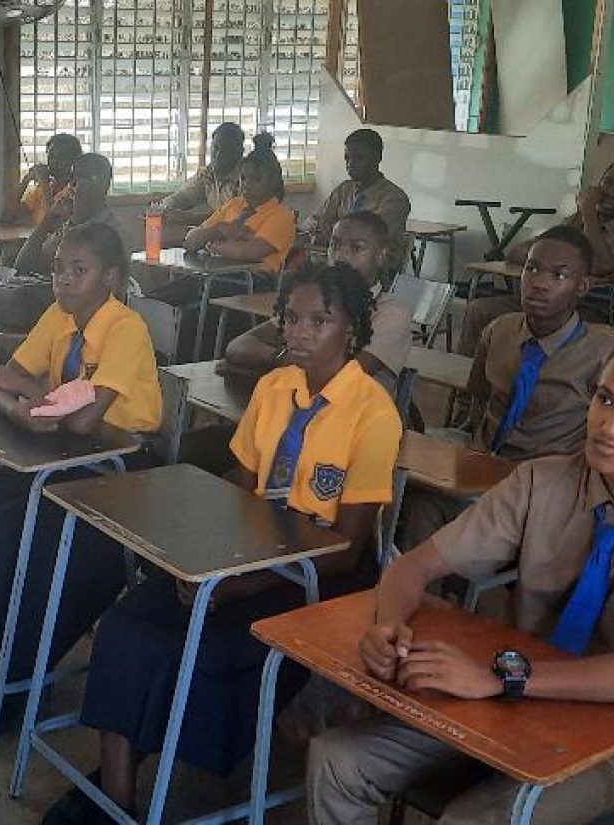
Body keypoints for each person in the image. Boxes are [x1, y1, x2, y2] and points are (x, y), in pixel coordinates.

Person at [43, 263, 402, 824]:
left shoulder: (373, 410)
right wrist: (199, 553)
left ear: (352, 329)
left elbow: (349, 550)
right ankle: (118, 799)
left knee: (196, 655)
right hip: (247, 546)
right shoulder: (274, 387)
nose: (300, 333)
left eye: (320, 320)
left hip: (316, 575)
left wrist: (244, 584)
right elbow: (244, 483)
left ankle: (157, 761)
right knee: (125, 626)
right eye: (291, 319)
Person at [308, 334, 614, 824]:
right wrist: (389, 626)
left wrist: (505, 677)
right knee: (337, 762)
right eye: (604, 399)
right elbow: (412, 566)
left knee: (471, 820)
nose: (611, 425)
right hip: (508, 701)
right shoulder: (540, 482)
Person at [0, 223, 161, 725]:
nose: (64, 281)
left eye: (80, 271)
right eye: (58, 269)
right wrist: (24, 411)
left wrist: (32, 403)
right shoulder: (59, 316)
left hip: (120, 467)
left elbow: (83, 419)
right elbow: (1, 377)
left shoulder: (125, 329)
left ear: (111, 279)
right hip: (59, 452)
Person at [399, 224, 614, 550]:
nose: (538, 283)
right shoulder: (499, 331)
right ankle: (414, 595)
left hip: (541, 488)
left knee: (450, 531)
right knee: (409, 499)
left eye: (558, 275)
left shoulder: (604, 356)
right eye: (531, 268)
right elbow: (476, 401)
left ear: (583, 287)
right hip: (480, 469)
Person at [459, 160, 614, 349]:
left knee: (553, 325)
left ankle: (538, 378)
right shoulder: (575, 220)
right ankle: (475, 380)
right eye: (607, 182)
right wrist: (554, 265)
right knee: (479, 310)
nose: (610, 192)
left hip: (596, 311)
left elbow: (599, 265)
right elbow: (517, 252)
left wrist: (588, 213)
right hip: (552, 301)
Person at [224, 211, 412, 395]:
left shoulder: (391, 312)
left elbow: (341, 375)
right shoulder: (310, 301)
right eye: (335, 245)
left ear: (381, 255)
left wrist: (259, 366)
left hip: (355, 420)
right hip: (296, 407)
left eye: (357, 248)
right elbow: (238, 347)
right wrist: (283, 358)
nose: (340, 257)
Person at [183, 132, 296, 275]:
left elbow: (245, 253)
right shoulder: (235, 205)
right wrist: (218, 229)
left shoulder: (282, 216)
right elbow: (190, 240)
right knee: (160, 295)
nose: (247, 184)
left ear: (273, 183)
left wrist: (211, 243)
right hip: (213, 277)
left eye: (256, 179)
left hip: (254, 283)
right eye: (243, 178)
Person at [14, 152, 130, 277]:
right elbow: (22, 266)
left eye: (81, 177)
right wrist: (47, 221)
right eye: (72, 179)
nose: (72, 185)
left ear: (103, 183)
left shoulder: (109, 232)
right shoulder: (69, 225)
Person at [304, 128, 410, 258]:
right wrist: (316, 229)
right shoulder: (344, 189)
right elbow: (314, 220)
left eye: (359, 158)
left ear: (377, 158)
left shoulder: (394, 199)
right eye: (347, 158)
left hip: (375, 267)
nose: (351, 164)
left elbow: (369, 239)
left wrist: (331, 235)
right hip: (337, 260)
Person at [159, 121, 246, 228]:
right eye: (215, 148)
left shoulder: (248, 178)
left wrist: (191, 218)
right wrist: (164, 209)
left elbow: (235, 217)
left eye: (226, 150)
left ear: (240, 152)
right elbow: (182, 197)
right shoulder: (208, 174)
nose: (218, 155)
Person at [4, 132, 84, 226]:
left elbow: (51, 224)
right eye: (51, 156)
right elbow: (7, 217)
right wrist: (25, 181)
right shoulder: (44, 187)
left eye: (61, 157)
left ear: (74, 160)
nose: (54, 162)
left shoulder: (76, 191)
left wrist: (44, 183)